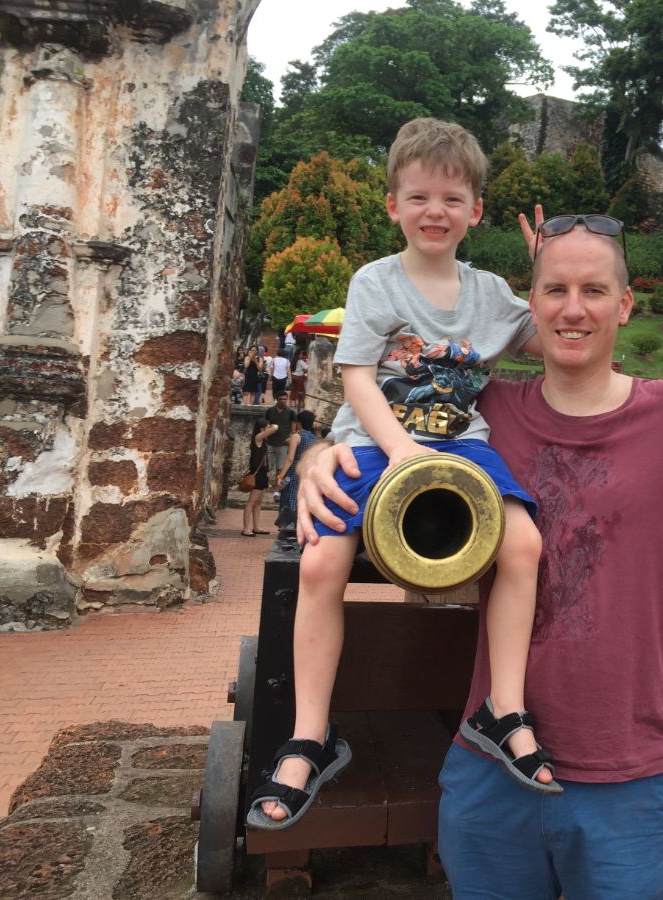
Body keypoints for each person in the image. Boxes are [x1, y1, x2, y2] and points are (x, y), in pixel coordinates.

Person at [297, 208, 663, 897]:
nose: (573, 310)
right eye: (555, 290)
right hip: (493, 770)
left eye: (595, 291)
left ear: (625, 306)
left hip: (630, 779)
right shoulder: (483, 417)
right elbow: (375, 423)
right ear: (530, 305)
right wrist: (319, 454)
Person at [247, 117, 554, 833]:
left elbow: (552, 336)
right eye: (418, 197)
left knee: (524, 547)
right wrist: (403, 451)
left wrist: (547, 271)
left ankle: (501, 706)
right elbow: (357, 378)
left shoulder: (491, 291)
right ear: (393, 205)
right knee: (321, 562)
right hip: (378, 442)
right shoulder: (376, 281)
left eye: (452, 199)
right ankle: (311, 736)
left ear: (476, 211)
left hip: (462, 446)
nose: (435, 212)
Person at [273, 409, 317, 530]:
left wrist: (281, 475)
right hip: (307, 472)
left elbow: (290, 458)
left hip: (294, 472)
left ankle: (287, 528)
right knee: (302, 500)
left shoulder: (297, 436)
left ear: (299, 422)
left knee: (289, 499)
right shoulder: (314, 438)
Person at [242, 420, 277, 537]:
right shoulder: (258, 438)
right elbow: (275, 428)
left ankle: (256, 527)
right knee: (251, 502)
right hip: (257, 474)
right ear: (262, 428)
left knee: (258, 503)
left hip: (263, 473)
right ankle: (246, 528)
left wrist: (269, 427)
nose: (269, 428)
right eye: (267, 427)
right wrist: (271, 426)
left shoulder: (263, 441)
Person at [263, 391, 296, 482]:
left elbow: (293, 425)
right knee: (267, 466)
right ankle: (265, 483)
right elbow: (266, 423)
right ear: (277, 399)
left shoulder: (290, 412)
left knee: (280, 467)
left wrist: (291, 435)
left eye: (285, 399)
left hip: (283, 443)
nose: (282, 401)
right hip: (270, 441)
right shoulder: (270, 411)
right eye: (280, 399)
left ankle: (277, 486)